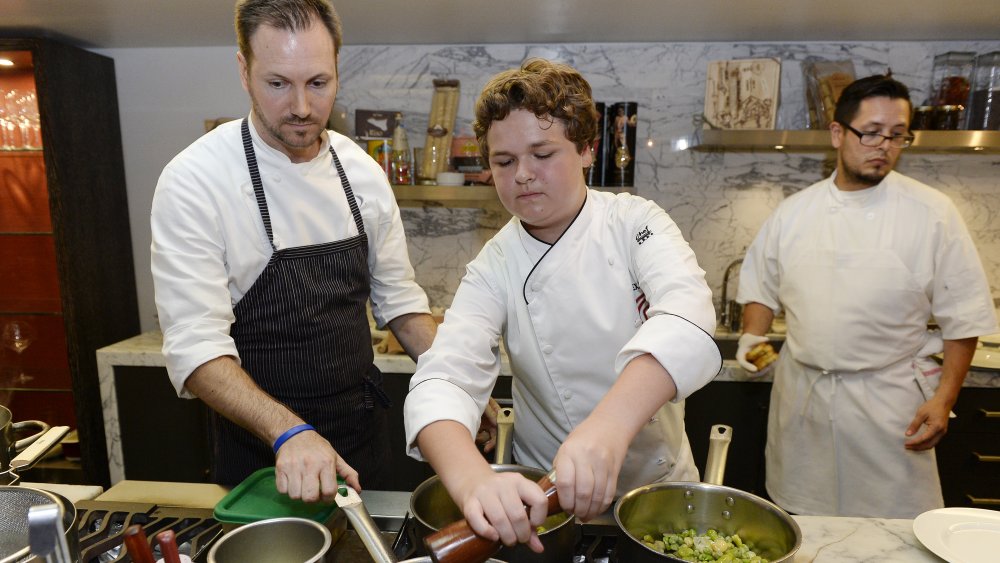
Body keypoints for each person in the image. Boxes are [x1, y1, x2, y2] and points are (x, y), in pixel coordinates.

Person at [404, 59, 721, 552]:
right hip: (546, 502)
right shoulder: (495, 265)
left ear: (587, 150)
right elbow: (444, 377)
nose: (523, 175)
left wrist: (608, 429)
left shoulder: (634, 222)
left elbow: (689, 315)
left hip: (656, 494)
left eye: (542, 153)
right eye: (504, 161)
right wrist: (473, 482)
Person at [150, 0, 439, 501]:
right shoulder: (195, 180)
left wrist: (450, 376)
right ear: (244, 69)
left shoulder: (361, 170)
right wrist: (290, 431)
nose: (302, 106)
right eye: (278, 83)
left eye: (318, 83)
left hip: (362, 439)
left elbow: (400, 300)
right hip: (262, 450)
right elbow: (196, 351)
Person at [736, 74, 998, 518]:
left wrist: (944, 399)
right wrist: (750, 337)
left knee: (894, 531)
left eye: (898, 135)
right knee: (804, 524)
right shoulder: (795, 213)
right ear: (838, 133)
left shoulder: (933, 213)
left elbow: (965, 316)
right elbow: (760, 288)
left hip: (890, 404)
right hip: (805, 401)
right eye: (872, 132)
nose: (885, 146)